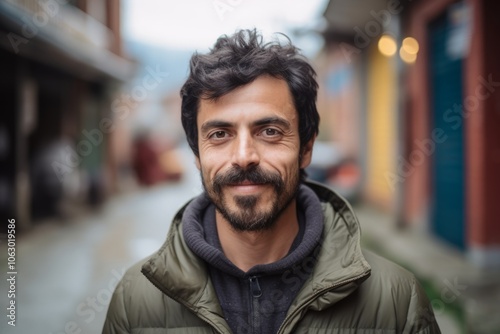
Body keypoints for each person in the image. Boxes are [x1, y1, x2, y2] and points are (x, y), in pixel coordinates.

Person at [103, 29, 441, 334]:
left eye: (270, 131)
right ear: (196, 155)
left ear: (306, 148)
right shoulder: (136, 300)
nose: (244, 155)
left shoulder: (397, 302)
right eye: (220, 134)